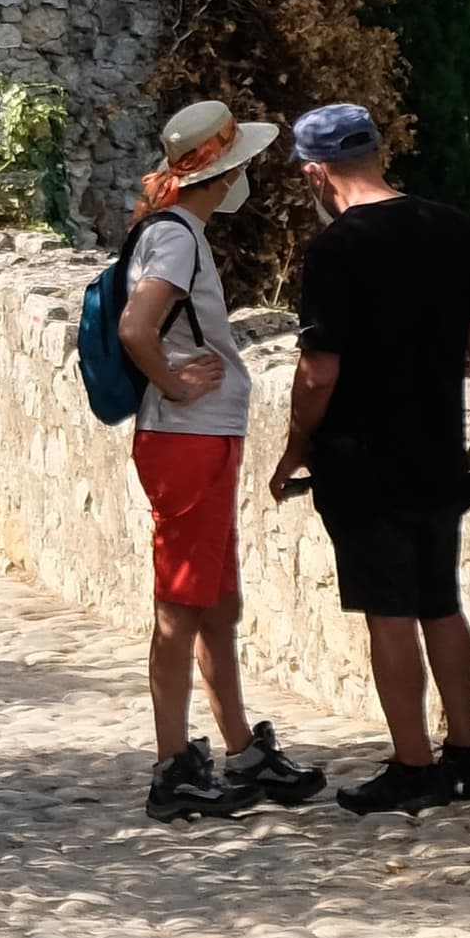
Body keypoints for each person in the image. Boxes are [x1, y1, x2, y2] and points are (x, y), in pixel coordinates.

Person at [269, 98, 470, 813]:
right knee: (440, 599)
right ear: (376, 152)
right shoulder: (450, 226)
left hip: (362, 455)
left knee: (389, 611)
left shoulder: (335, 250)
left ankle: (413, 766)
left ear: (316, 174)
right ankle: (465, 754)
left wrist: (294, 448)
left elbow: (320, 371)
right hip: (439, 449)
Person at [118, 98, 324, 824]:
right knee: (179, 605)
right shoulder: (176, 240)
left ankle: (238, 746)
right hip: (188, 438)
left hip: (199, 438)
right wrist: (175, 384)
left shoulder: (173, 231)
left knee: (212, 602)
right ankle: (173, 764)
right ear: (224, 170)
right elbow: (137, 326)